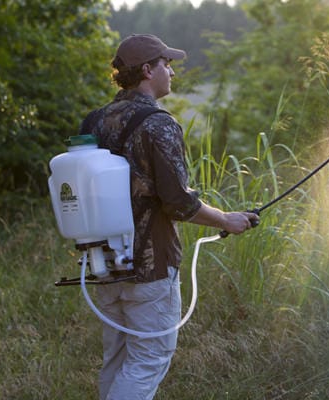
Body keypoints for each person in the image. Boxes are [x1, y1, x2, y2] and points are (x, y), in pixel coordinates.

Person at [80, 33, 259, 400]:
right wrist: (228, 220)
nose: (172, 73)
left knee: (117, 358)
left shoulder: (93, 122)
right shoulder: (158, 123)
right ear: (147, 70)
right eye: (167, 64)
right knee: (148, 358)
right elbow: (178, 202)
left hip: (102, 261)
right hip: (149, 264)